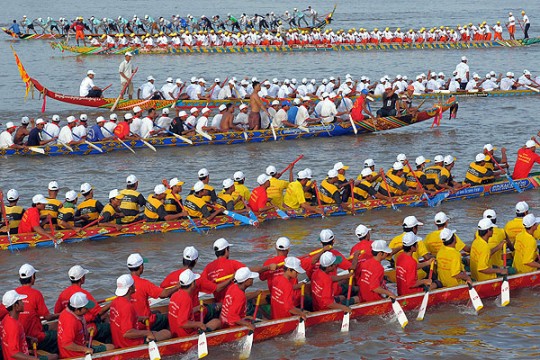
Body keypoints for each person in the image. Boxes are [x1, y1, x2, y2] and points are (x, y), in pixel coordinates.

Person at [202, 238, 274, 302]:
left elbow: (201, 283)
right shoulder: (232, 263)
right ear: (226, 250)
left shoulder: (208, 268)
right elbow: (249, 271)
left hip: (219, 301)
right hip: (233, 300)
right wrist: (268, 267)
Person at [109, 274, 170, 349]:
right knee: (167, 333)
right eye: (133, 284)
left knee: (155, 331)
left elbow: (123, 319)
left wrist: (138, 318)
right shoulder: (127, 306)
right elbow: (127, 333)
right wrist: (147, 333)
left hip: (118, 340)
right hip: (128, 343)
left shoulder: (115, 301)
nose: (135, 285)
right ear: (130, 288)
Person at [54, 265, 110, 342]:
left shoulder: (63, 294)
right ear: (82, 278)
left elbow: (57, 312)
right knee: (109, 325)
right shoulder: (84, 295)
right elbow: (99, 312)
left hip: (71, 326)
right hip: (86, 327)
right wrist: (112, 304)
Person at [1, 290, 57, 360]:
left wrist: (28, 338)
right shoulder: (14, 326)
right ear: (16, 306)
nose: (23, 303)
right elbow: (13, 353)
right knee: (55, 356)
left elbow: (9, 338)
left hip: (22, 353)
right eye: (21, 301)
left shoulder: (6, 319)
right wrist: (35, 359)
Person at [16, 264, 58, 353]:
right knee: (58, 335)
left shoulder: (13, 293)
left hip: (21, 336)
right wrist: (63, 314)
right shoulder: (36, 294)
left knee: (54, 325)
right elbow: (48, 317)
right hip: (34, 337)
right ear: (32, 278)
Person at [57, 292, 113, 358]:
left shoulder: (65, 312)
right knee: (111, 347)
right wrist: (85, 349)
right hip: (74, 354)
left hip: (80, 344)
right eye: (86, 308)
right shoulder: (72, 322)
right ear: (77, 309)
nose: (88, 310)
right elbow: (66, 344)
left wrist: (85, 331)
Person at [168, 269, 221, 337]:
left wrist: (196, 309)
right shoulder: (186, 298)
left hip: (175, 331)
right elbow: (182, 323)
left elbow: (180, 312)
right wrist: (199, 324)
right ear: (192, 284)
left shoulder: (175, 294)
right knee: (217, 322)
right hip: (186, 334)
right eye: (195, 281)